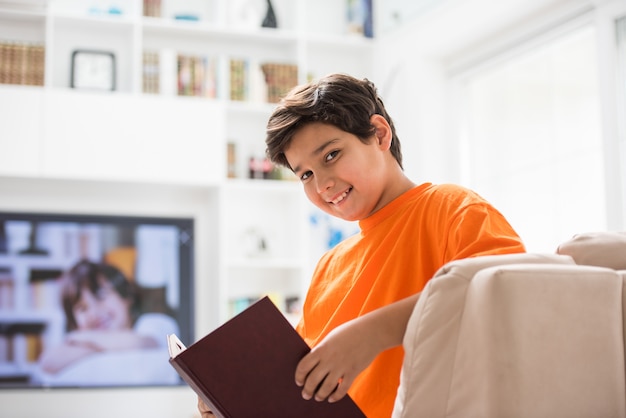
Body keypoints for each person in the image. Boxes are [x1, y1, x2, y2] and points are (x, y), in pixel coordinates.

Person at [198, 73, 525, 418]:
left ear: (380, 134)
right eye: (305, 175)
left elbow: (508, 291)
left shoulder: (452, 208)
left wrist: (371, 334)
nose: (322, 183)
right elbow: (302, 387)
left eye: (331, 155)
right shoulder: (330, 266)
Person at [39, 259, 177, 375]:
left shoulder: (153, 322)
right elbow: (49, 361)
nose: (94, 313)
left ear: (126, 296)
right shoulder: (86, 341)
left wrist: (81, 337)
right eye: (82, 308)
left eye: (101, 296)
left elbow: (140, 343)